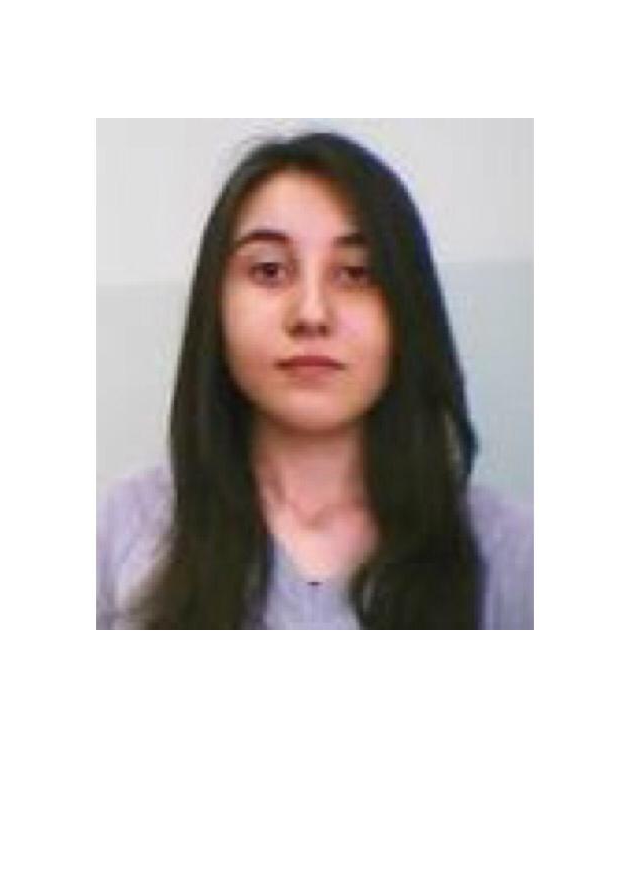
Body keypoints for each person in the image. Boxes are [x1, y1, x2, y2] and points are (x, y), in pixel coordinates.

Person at [97, 130, 533, 629]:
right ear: (215, 306)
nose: (311, 314)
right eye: (269, 271)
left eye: (356, 273)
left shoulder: (512, 554)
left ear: (408, 308)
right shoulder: (124, 530)